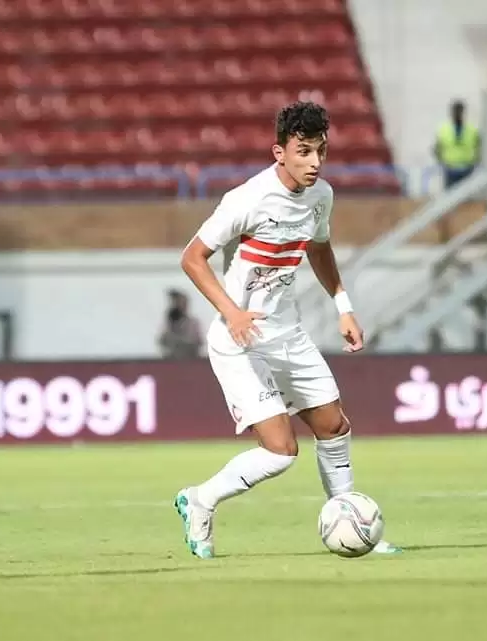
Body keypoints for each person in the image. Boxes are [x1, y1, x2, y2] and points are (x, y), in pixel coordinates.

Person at [172, 101, 400, 558]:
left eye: (320, 151)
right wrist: (233, 313)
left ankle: (350, 520)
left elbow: (319, 248)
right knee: (280, 452)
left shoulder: (321, 196)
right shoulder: (247, 199)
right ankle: (199, 500)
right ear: (279, 152)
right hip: (240, 340)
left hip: (288, 334)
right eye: (303, 152)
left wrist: (344, 307)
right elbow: (191, 257)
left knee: (334, 426)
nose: (314, 163)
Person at [433, 100, 480, 190]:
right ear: (452, 113)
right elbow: (437, 148)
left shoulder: (472, 130)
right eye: (455, 112)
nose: (457, 114)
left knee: (466, 197)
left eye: (459, 111)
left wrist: (474, 162)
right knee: (450, 198)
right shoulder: (444, 130)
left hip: (467, 169)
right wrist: (442, 163)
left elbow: (478, 147)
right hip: (450, 169)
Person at [157, 289, 204, 359]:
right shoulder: (169, 322)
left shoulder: (193, 323)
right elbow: (162, 341)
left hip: (190, 360)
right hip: (172, 361)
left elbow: (198, 342)